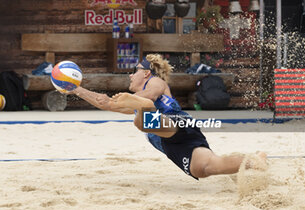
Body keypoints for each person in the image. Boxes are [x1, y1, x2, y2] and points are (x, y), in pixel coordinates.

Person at [72, 54, 267, 179]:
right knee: (206, 168)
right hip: (174, 143)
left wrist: (134, 101)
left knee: (142, 121)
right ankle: (256, 159)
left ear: (147, 73)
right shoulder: (134, 100)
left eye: (135, 71)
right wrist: (75, 89)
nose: (131, 76)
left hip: (174, 121)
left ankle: (146, 111)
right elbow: (104, 102)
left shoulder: (156, 82)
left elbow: (150, 96)